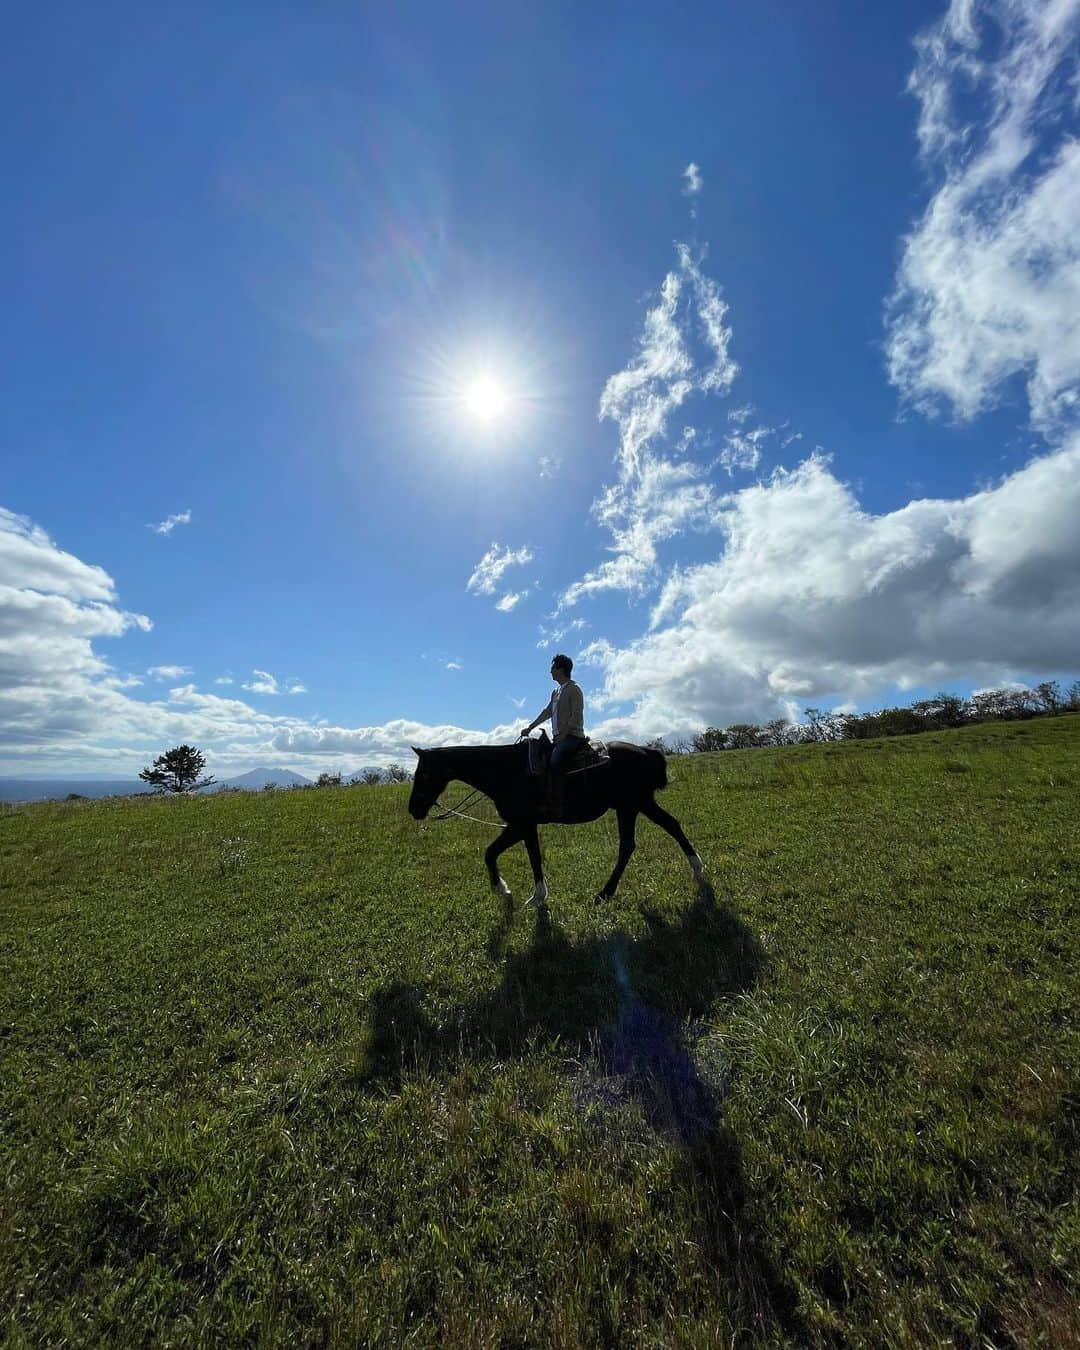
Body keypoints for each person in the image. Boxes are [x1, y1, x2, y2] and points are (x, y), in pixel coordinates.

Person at [519, 653, 586, 819]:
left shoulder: (574, 689)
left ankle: (557, 805)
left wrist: (564, 734)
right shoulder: (556, 692)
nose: (550, 672)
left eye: (553, 668)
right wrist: (530, 727)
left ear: (561, 669)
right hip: (559, 738)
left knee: (555, 761)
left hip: (573, 737)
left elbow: (576, 715)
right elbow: (547, 712)